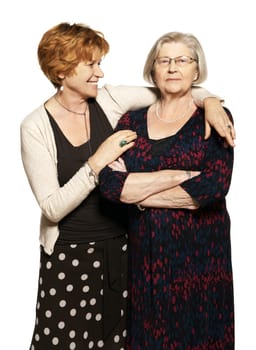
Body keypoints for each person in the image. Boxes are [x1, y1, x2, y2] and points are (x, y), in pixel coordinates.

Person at [20, 23, 235, 350]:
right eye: (91, 64)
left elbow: (174, 88)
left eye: (98, 63)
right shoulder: (35, 126)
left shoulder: (110, 101)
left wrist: (212, 102)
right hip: (70, 254)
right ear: (62, 71)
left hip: (123, 250)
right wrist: (99, 161)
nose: (100, 72)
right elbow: (54, 206)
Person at [99, 31, 234, 349]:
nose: (173, 67)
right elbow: (109, 184)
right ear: (152, 70)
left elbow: (212, 186)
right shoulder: (130, 122)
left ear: (196, 70)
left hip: (200, 263)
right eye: (164, 60)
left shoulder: (213, 118)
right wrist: (175, 176)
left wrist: (138, 195)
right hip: (145, 263)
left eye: (183, 60)